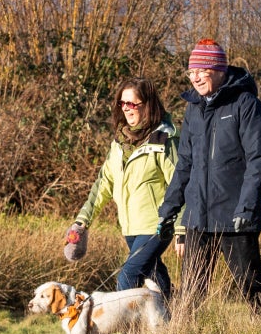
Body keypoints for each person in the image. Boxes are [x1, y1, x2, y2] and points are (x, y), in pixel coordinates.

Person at [155, 39, 261, 308]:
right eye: (191, 72)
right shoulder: (193, 108)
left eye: (201, 71)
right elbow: (185, 163)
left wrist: (247, 207)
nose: (195, 78)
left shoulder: (246, 105)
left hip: (236, 217)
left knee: (252, 290)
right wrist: (170, 208)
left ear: (219, 70)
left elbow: (258, 161)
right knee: (191, 297)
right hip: (198, 217)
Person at [66, 78, 181, 293]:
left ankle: (128, 327)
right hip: (130, 226)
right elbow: (104, 184)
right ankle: (171, 319)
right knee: (153, 272)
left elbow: (181, 185)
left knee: (128, 276)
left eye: (132, 104)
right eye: (123, 103)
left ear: (148, 105)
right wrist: (82, 221)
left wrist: (182, 227)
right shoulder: (119, 142)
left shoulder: (163, 140)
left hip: (157, 225)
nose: (127, 109)